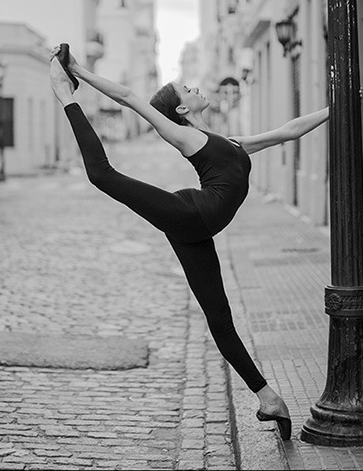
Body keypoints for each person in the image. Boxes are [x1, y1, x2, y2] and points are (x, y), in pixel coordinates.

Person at [49, 44, 329, 439]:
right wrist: (77, 69)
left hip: (195, 227)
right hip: (189, 215)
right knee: (102, 174)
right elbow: (129, 98)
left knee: (220, 318)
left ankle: (269, 399)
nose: (194, 87)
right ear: (181, 110)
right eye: (186, 88)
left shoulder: (230, 142)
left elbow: (289, 131)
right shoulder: (183, 136)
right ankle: (66, 96)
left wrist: (338, 107)